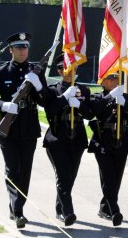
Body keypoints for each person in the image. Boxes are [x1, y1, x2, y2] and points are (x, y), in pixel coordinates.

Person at [0, 32, 48, 229]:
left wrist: (38, 86)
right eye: (19, 48)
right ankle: (18, 210)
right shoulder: (1, 71)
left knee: (25, 171)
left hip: (29, 129)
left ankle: (16, 207)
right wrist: (3, 106)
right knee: (13, 170)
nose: (23, 51)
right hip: (9, 128)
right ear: (11, 50)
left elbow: (45, 101)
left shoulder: (35, 72)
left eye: (26, 48)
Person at [43, 54, 93, 226]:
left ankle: (60, 208)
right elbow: (49, 111)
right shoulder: (52, 90)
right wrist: (64, 98)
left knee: (70, 177)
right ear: (58, 70)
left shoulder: (83, 90)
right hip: (57, 138)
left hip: (77, 138)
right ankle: (68, 212)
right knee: (63, 176)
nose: (69, 72)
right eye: (64, 69)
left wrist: (79, 104)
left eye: (73, 69)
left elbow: (90, 114)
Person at [88, 72, 128, 227]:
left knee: (116, 178)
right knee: (108, 177)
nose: (113, 81)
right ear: (102, 82)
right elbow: (93, 110)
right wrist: (110, 97)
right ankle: (115, 210)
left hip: (121, 141)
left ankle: (105, 208)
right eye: (110, 79)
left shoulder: (125, 98)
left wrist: (124, 103)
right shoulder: (97, 97)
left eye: (116, 79)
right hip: (103, 140)